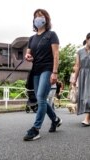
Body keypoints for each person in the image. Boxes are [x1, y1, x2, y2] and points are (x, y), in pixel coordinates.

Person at [23, 9, 62, 141]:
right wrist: (28, 56)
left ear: (46, 19)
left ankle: (36, 129)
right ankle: (55, 119)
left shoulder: (51, 35)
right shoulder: (32, 38)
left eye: (40, 16)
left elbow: (56, 54)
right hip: (36, 70)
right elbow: (29, 54)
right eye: (36, 17)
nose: (38, 18)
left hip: (48, 68)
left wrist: (55, 72)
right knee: (42, 100)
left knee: (40, 97)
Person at [72, 32, 90, 126]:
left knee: (89, 97)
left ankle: (86, 118)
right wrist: (74, 79)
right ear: (87, 39)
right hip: (82, 75)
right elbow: (77, 66)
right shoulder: (79, 52)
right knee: (84, 97)